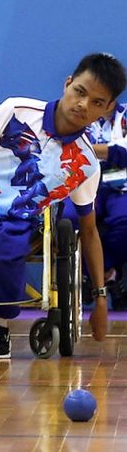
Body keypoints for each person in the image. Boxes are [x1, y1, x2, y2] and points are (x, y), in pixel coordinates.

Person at [0, 53, 126, 359]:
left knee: (6, 251)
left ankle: (0, 330)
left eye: (97, 102)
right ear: (67, 84)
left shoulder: (85, 163)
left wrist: (99, 298)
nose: (83, 105)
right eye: (80, 92)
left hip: (24, 222)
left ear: (108, 108)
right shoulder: (15, 110)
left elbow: (89, 230)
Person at [63, 102, 127, 309]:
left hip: (120, 186)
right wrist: (109, 152)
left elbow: (123, 153)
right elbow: (64, 150)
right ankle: (92, 276)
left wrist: (86, 150)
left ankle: (105, 271)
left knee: (125, 220)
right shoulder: (76, 114)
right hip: (82, 182)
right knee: (69, 221)